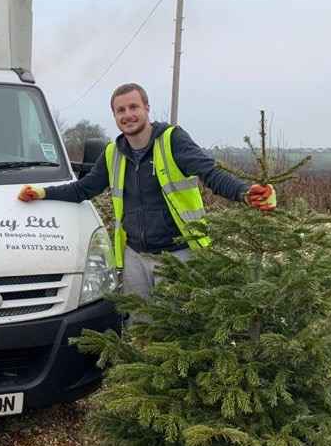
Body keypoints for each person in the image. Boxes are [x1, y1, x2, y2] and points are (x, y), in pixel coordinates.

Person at [17, 82, 275, 308]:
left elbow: (211, 173)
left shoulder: (173, 140)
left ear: (146, 108)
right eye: (121, 110)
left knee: (173, 325)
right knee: (139, 326)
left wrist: (244, 192)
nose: (128, 115)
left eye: (133, 107)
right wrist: (41, 192)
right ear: (115, 116)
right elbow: (83, 189)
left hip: (177, 254)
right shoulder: (112, 154)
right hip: (134, 257)